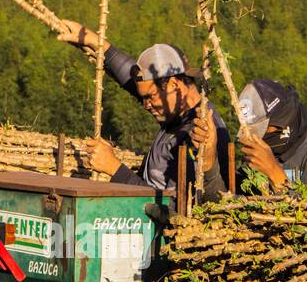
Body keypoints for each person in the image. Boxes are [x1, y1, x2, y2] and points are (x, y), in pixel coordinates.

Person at [55, 20, 230, 192]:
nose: (145, 105)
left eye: (150, 97)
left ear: (173, 85)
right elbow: (131, 79)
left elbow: (174, 207)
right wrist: (94, 42)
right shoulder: (177, 112)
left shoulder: (198, 134)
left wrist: (114, 168)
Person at [227, 79, 307, 193]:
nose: (256, 139)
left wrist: (274, 173)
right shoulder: (263, 154)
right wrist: (211, 162)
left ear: (283, 123)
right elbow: (229, 199)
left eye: (261, 131)